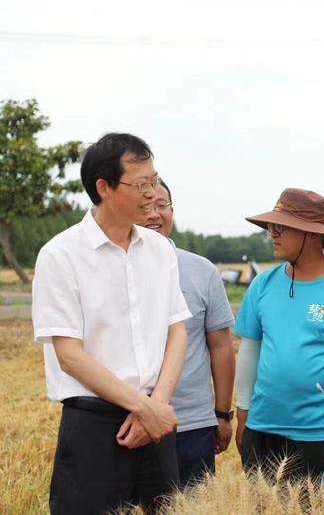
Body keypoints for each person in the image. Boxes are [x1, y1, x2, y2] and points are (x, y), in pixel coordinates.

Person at [32, 133, 191, 514]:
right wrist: (144, 409)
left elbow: (176, 330)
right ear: (104, 187)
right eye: (141, 184)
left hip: (155, 421)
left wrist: (155, 407)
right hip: (94, 425)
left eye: (154, 181)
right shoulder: (60, 255)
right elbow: (69, 355)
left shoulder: (159, 249)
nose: (152, 194)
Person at [233, 188, 324, 479]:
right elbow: (249, 350)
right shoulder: (262, 284)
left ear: (311, 234)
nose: (272, 234)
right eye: (271, 227)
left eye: (281, 227)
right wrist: (243, 410)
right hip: (262, 427)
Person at [138, 181, 236, 489]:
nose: (154, 214)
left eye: (161, 205)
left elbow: (220, 345)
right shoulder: (109, 269)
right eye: (144, 206)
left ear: (172, 210)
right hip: (128, 421)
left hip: (192, 424)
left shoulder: (201, 270)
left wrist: (222, 414)